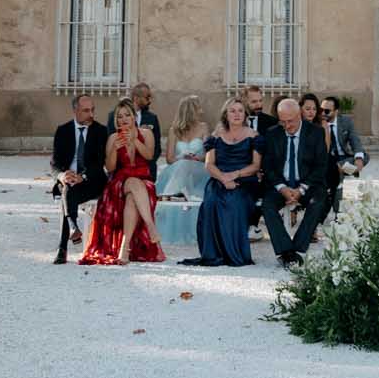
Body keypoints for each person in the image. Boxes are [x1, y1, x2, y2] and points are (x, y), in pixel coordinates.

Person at [81, 99, 164, 265]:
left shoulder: (146, 133)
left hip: (144, 181)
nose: (123, 119)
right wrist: (114, 149)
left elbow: (149, 156)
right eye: (119, 117)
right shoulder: (112, 138)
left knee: (133, 198)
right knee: (132, 183)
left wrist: (135, 141)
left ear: (134, 117)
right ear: (116, 120)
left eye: (127, 115)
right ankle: (150, 226)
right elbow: (110, 168)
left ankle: (124, 249)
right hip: (120, 182)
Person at [186, 98, 262, 267]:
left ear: (245, 114)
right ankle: (214, 253)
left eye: (240, 111)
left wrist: (234, 175)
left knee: (234, 201)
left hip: (245, 180)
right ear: (225, 115)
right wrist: (223, 178)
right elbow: (209, 164)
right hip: (218, 179)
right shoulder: (215, 136)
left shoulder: (254, 136)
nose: (236, 114)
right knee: (211, 202)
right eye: (232, 111)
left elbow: (256, 165)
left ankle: (234, 253)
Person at [260, 97, 328, 266]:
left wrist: (301, 189)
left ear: (299, 116)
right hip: (281, 185)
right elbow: (268, 167)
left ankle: (298, 248)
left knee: (318, 200)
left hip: (307, 184)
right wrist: (282, 188)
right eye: (282, 121)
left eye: (290, 121)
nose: (286, 126)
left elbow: (320, 166)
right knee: (267, 205)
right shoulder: (272, 133)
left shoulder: (316, 132)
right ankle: (285, 251)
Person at [50, 93, 110, 264]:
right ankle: (71, 228)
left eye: (92, 110)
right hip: (69, 182)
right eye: (86, 111)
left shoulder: (100, 131)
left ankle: (64, 244)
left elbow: (99, 163)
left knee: (68, 193)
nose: (90, 114)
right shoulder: (63, 131)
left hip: (91, 181)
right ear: (75, 111)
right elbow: (55, 163)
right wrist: (62, 175)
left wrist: (82, 177)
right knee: (68, 189)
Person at [155, 95, 210, 246]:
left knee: (186, 165)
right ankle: (178, 194)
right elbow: (170, 159)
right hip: (178, 169)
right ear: (192, 110)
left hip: (199, 170)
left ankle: (169, 197)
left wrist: (196, 158)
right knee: (183, 164)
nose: (201, 111)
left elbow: (208, 154)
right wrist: (183, 157)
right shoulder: (174, 130)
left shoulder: (203, 127)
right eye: (198, 107)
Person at [316, 96, 366, 229]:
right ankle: (338, 214)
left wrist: (359, 159)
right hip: (327, 161)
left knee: (364, 156)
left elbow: (355, 141)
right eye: (321, 110)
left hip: (343, 158)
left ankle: (347, 169)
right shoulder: (318, 123)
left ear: (336, 111)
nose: (323, 113)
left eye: (327, 111)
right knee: (337, 183)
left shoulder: (345, 122)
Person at [109, 83, 160, 167]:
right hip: (122, 167)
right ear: (136, 98)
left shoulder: (152, 117)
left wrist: (148, 164)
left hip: (146, 168)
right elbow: (110, 141)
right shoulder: (114, 116)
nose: (149, 100)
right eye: (147, 97)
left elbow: (157, 146)